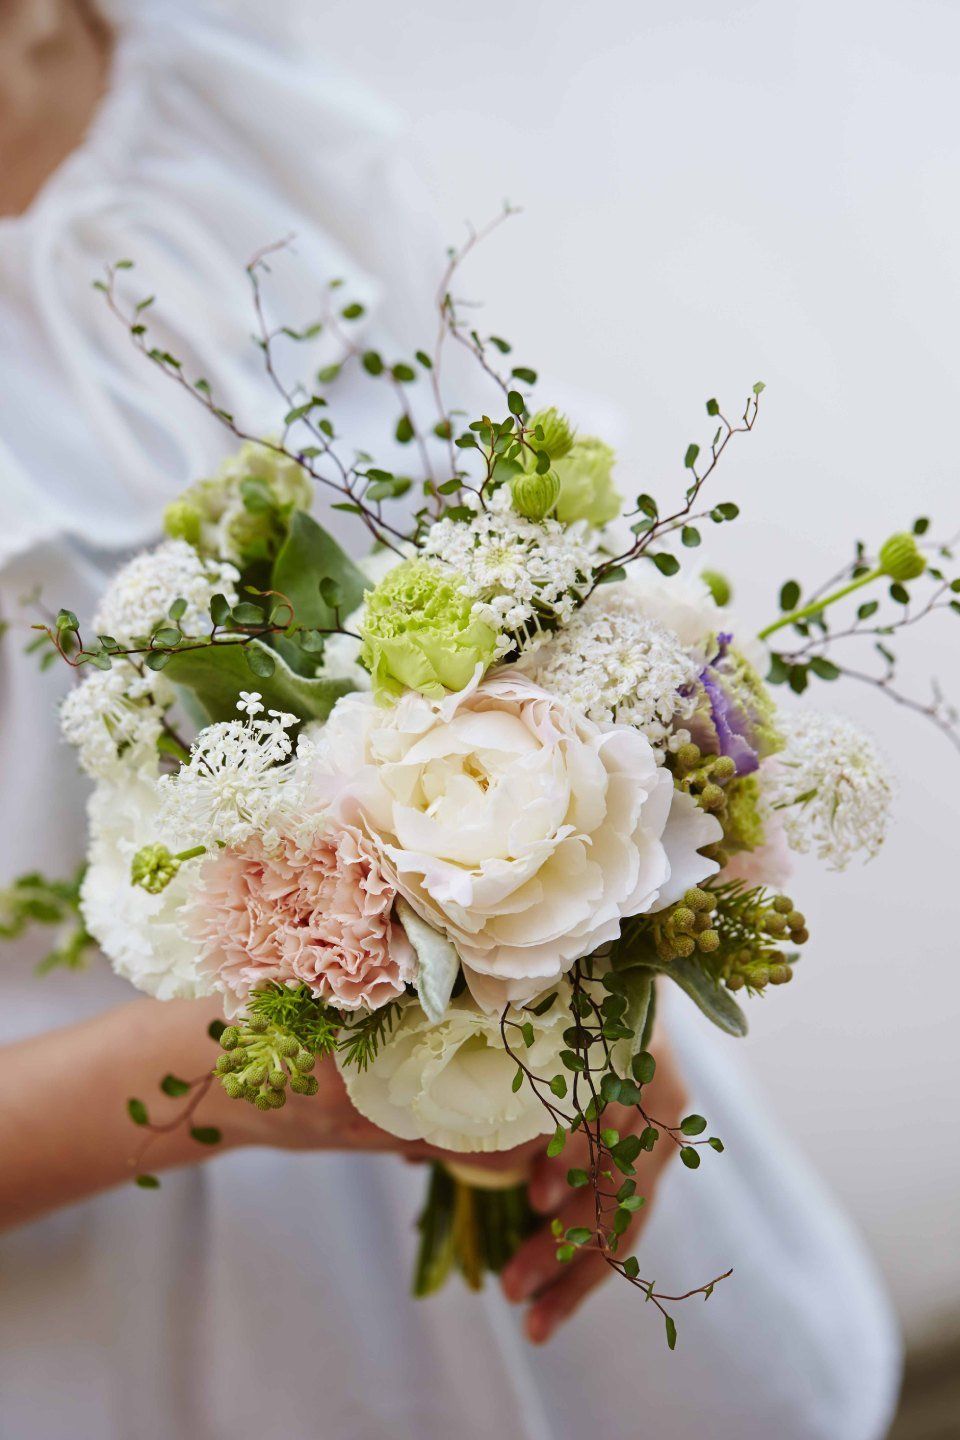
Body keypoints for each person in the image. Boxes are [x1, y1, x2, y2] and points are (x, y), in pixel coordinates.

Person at [0, 3, 902, 1437]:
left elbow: (496, 527)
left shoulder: (217, 74)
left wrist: (591, 951)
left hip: (569, 1178)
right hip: (150, 1331)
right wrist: (233, 1071)